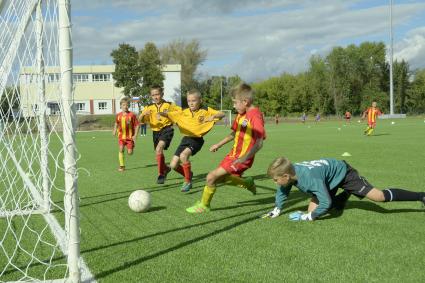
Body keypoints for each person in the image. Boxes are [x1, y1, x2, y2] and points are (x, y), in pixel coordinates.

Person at [262, 157, 425, 221]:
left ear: (286, 176)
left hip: (343, 173)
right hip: (327, 179)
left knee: (379, 197)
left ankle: (421, 196)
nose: (275, 183)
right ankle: (344, 196)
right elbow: (283, 191)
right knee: (313, 211)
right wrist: (277, 208)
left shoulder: (309, 178)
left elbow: (324, 203)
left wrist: (308, 216)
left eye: (276, 179)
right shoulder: (292, 172)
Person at [186, 83, 266, 213]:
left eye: (235, 103)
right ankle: (247, 183)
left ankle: (204, 205)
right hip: (232, 155)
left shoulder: (255, 116)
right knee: (221, 178)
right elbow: (234, 134)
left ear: (245, 101)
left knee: (211, 177)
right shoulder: (241, 115)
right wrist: (218, 144)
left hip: (242, 158)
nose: (233, 106)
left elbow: (259, 142)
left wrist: (244, 158)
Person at [159, 89, 225, 192]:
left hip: (197, 140)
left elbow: (222, 114)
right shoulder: (184, 112)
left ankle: (188, 181)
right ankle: (188, 174)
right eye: (189, 101)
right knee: (173, 165)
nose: (191, 103)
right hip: (185, 139)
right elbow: (170, 115)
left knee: (183, 156)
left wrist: (212, 117)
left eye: (194, 100)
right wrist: (162, 113)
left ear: (200, 100)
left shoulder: (205, 110)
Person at [139, 86, 181, 184]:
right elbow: (140, 121)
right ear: (151, 96)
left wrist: (167, 114)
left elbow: (180, 112)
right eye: (153, 95)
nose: (155, 97)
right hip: (155, 132)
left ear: (162, 94)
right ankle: (170, 170)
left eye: (157, 94)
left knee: (159, 149)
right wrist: (143, 114)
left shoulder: (169, 105)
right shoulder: (148, 107)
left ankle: (161, 174)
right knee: (158, 153)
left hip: (167, 129)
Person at [112, 97, 139, 172]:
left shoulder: (132, 115)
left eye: (127, 105)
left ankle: (132, 145)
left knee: (130, 153)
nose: (125, 106)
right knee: (121, 149)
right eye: (123, 105)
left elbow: (137, 125)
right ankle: (122, 166)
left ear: (129, 106)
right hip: (121, 136)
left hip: (130, 137)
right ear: (120, 106)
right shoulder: (118, 115)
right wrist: (114, 130)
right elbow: (116, 123)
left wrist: (135, 135)